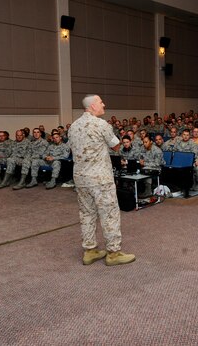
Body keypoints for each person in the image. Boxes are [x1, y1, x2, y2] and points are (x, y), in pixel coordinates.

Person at [68, 94, 135, 266]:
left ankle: (89, 251)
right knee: (109, 214)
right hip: (100, 179)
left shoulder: (73, 126)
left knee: (86, 214)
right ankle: (113, 253)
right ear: (91, 106)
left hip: (81, 179)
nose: (104, 104)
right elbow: (116, 145)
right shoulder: (101, 124)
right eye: (100, 102)